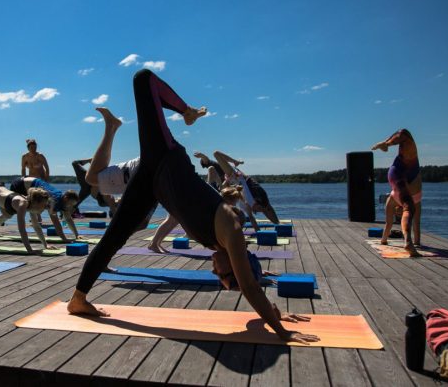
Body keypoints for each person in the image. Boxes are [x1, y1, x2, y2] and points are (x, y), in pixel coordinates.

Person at [66, 70, 318, 344]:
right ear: (235, 264)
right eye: (221, 273)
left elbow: (251, 278)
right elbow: (249, 286)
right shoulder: (232, 232)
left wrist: (273, 313)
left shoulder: (226, 247)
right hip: (166, 158)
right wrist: (283, 333)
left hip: (152, 183)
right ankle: (187, 112)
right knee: (143, 80)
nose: (213, 270)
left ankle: (78, 300)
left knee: (114, 237)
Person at [372, 128, 422, 256]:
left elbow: (388, 223)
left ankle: (386, 143)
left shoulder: (393, 198)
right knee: (410, 209)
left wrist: (383, 240)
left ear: (397, 211)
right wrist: (417, 241)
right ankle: (408, 242)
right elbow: (416, 223)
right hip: (402, 173)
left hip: (397, 174)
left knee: (405, 135)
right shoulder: (413, 201)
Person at [0, 175, 79, 240]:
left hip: (32, 184)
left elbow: (68, 219)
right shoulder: (56, 200)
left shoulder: (64, 202)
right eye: (70, 204)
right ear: (66, 198)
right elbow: (56, 222)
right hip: (20, 185)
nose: (70, 206)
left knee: (30, 210)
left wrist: (76, 235)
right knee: (9, 213)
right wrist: (64, 238)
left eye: (72, 205)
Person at [211, 150, 280, 228]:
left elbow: (251, 218)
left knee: (215, 157)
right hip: (237, 177)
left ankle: (277, 223)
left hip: (233, 179)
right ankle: (235, 161)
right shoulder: (258, 200)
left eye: (259, 210)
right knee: (216, 154)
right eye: (260, 209)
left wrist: (258, 232)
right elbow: (265, 208)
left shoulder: (246, 207)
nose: (260, 210)